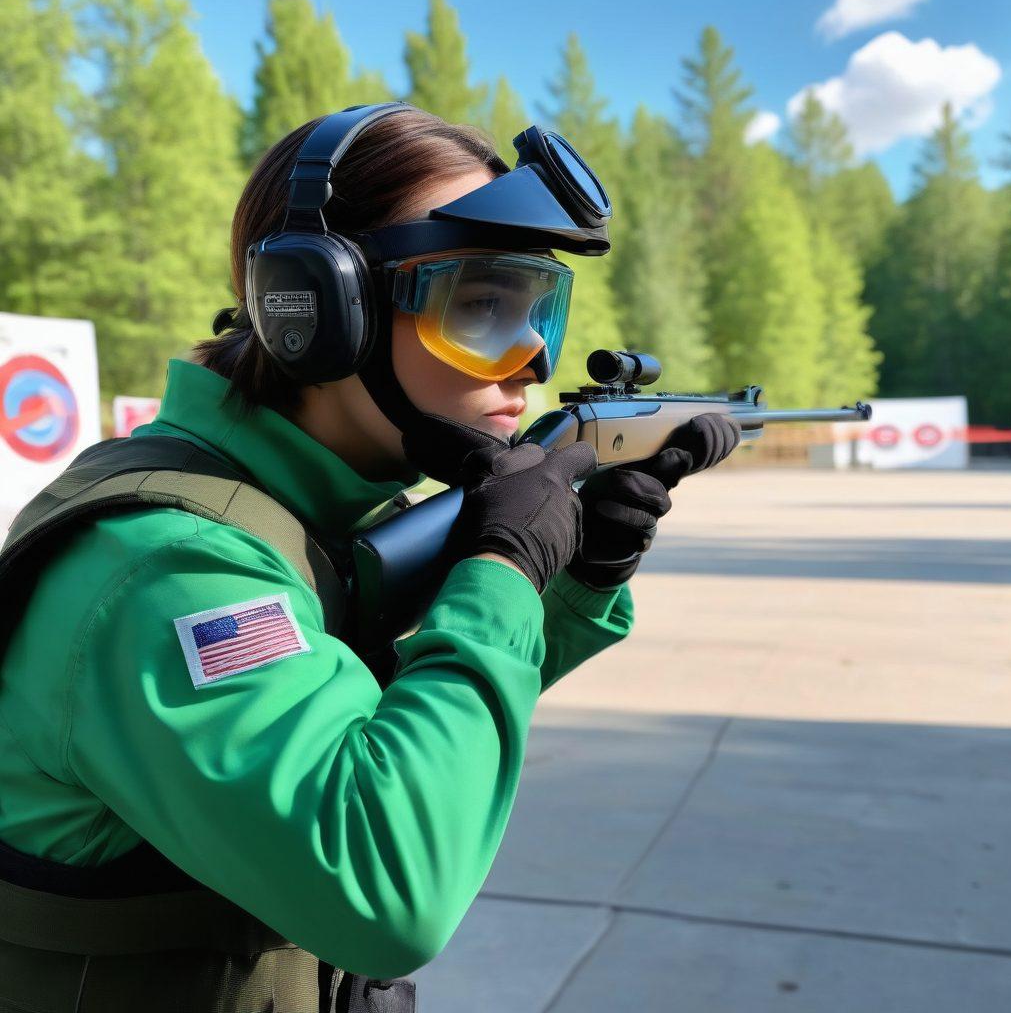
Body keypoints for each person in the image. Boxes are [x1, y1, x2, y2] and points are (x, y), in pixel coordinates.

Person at [0, 103, 739, 1011]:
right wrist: (502, 572)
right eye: (482, 304)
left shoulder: (300, 508)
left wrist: (575, 583)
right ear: (319, 308)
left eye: (538, 304)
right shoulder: (170, 567)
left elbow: (399, 728)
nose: (535, 356)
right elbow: (386, 891)